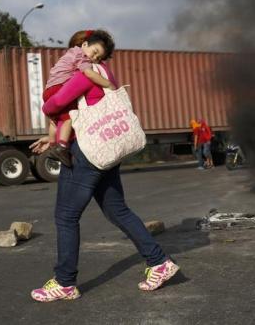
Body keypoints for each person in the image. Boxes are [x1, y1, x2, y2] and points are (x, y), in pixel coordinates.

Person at [29, 30, 179, 302]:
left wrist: (48, 108)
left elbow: (57, 102)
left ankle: (64, 282)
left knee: (66, 217)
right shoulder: (106, 72)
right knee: (118, 210)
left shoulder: (84, 72)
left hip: (86, 153)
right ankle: (159, 263)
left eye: (80, 50)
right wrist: (50, 135)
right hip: (105, 149)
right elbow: (79, 112)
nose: (78, 55)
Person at [43, 29, 116, 167]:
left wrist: (47, 108)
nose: (94, 59)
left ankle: (53, 146)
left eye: (98, 57)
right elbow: (88, 74)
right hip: (58, 88)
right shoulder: (82, 57)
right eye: (94, 53)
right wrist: (108, 84)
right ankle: (61, 148)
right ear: (84, 45)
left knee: (56, 120)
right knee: (70, 116)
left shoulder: (71, 54)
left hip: (49, 88)